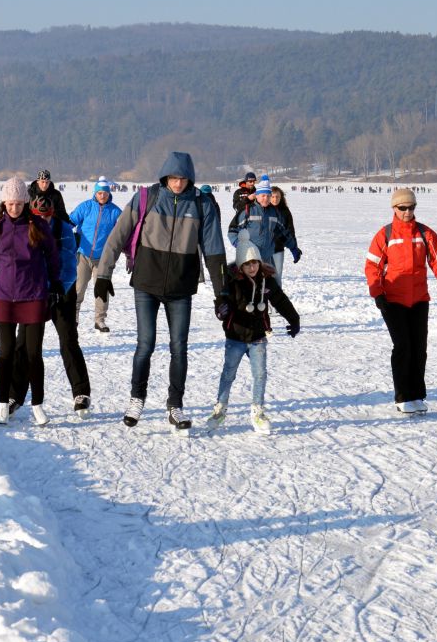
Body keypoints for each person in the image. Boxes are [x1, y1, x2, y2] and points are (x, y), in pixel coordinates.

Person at [94, 151, 228, 432]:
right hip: (146, 285)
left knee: (179, 348)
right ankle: (136, 398)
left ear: (190, 178)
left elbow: (214, 250)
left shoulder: (201, 204)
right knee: (146, 344)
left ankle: (175, 405)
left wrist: (222, 294)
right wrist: (104, 275)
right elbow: (118, 235)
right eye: (173, 177)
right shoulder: (147, 198)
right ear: (165, 176)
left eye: (183, 178)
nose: (178, 183)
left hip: (181, 288)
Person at [365, 188, 437, 414]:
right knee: (403, 346)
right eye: (402, 208)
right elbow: (372, 266)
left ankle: (417, 394)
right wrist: (378, 293)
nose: (407, 212)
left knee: (419, 348)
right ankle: (403, 396)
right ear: (394, 209)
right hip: (392, 300)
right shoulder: (385, 235)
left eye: (411, 207)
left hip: (418, 300)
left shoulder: (425, 234)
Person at [208, 242, 300, 434]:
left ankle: (257, 411)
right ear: (241, 265)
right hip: (236, 337)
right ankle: (220, 408)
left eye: (255, 263)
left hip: (258, 337)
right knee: (228, 374)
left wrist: (294, 318)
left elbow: (280, 300)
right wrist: (221, 310)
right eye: (248, 264)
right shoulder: (233, 281)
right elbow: (222, 300)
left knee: (260, 374)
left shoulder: (266, 280)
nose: (252, 267)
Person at [0, 177, 58, 427]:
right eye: (10, 203)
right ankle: (2, 405)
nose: (14, 208)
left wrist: (54, 286)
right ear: (4, 203)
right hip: (5, 296)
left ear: (25, 203)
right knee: (6, 352)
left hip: (34, 295)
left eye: (18, 203)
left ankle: (37, 405)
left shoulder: (38, 225)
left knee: (32, 354)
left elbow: (51, 257)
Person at [16, 194, 91, 418]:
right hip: (34, 294)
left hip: (61, 291)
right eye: (40, 216)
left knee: (68, 340)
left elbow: (69, 265)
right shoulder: (25, 228)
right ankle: (14, 395)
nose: (44, 221)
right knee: (24, 345)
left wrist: (58, 288)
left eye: (47, 217)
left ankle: (81, 393)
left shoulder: (64, 229)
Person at [69, 177, 122, 332]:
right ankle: (74, 318)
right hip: (83, 255)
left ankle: (100, 320)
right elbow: (70, 221)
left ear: (109, 194)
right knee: (79, 288)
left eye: (104, 193)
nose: (102, 196)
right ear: (95, 193)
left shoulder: (115, 211)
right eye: (99, 193)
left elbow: (122, 231)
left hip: (103, 259)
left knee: (102, 289)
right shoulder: (85, 207)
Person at [227, 175, 301, 269]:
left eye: (268, 196)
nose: (265, 198)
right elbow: (232, 231)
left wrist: (293, 248)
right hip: (250, 259)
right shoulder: (248, 210)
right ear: (257, 196)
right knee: (251, 283)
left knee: (269, 283)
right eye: (262, 195)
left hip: (267, 258)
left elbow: (283, 233)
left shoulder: (274, 213)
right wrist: (240, 244)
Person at [268, 185, 296, 280]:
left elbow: (290, 230)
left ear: (281, 198)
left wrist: (294, 247)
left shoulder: (285, 211)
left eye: (277, 197)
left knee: (277, 276)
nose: (275, 199)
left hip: (278, 248)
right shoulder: (264, 209)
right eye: (273, 196)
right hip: (263, 249)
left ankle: (277, 294)